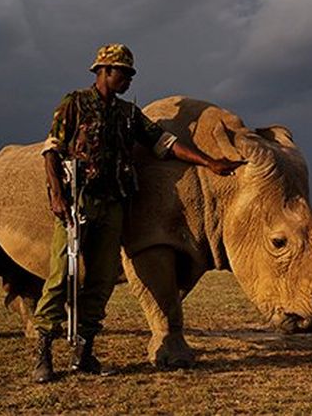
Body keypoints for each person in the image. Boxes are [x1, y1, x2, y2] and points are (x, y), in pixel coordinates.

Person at [32, 43, 242, 383]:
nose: (128, 80)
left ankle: (84, 355)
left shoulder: (129, 115)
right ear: (104, 71)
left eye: (130, 75)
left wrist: (211, 162)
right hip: (78, 202)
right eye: (123, 73)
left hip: (114, 205)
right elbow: (51, 151)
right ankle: (43, 354)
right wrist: (57, 196)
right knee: (62, 276)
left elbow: (164, 143)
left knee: (100, 283)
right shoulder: (75, 104)